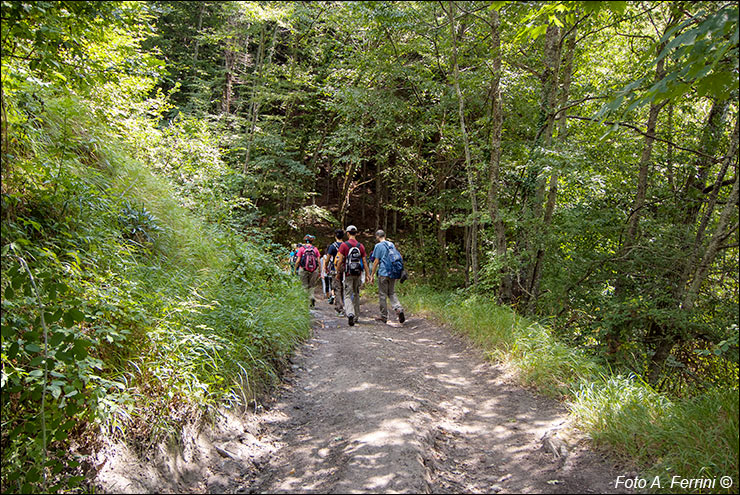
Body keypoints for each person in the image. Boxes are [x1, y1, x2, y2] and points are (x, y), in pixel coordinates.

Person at [334, 225, 369, 326]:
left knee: (347, 294)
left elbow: (340, 261)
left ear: (348, 233)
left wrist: (338, 273)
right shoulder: (360, 246)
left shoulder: (344, 245)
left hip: (348, 273)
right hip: (358, 273)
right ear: (356, 233)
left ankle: (350, 313)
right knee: (356, 294)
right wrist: (367, 275)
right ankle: (356, 316)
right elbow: (365, 262)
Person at [368, 229, 405, 324]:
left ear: (377, 236)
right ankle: (399, 308)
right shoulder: (391, 244)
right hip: (393, 273)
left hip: (383, 273)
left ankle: (384, 316)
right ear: (384, 235)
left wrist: (372, 275)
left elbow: (376, 261)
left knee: (382, 295)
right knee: (392, 293)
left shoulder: (378, 246)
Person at [295, 234, 320, 307]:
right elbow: (318, 261)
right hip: (314, 270)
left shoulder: (302, 249)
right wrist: (319, 270)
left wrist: (295, 268)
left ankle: (305, 303)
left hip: (303, 269)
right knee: (312, 286)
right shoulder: (315, 249)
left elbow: (298, 260)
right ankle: (311, 297)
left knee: (304, 286)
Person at [324, 229, 345, 314]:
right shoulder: (345, 245)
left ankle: (339, 307)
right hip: (345, 268)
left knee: (337, 288)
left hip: (335, 268)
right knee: (343, 288)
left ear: (335, 236)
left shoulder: (332, 246)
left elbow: (328, 258)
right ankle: (343, 304)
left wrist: (325, 267)